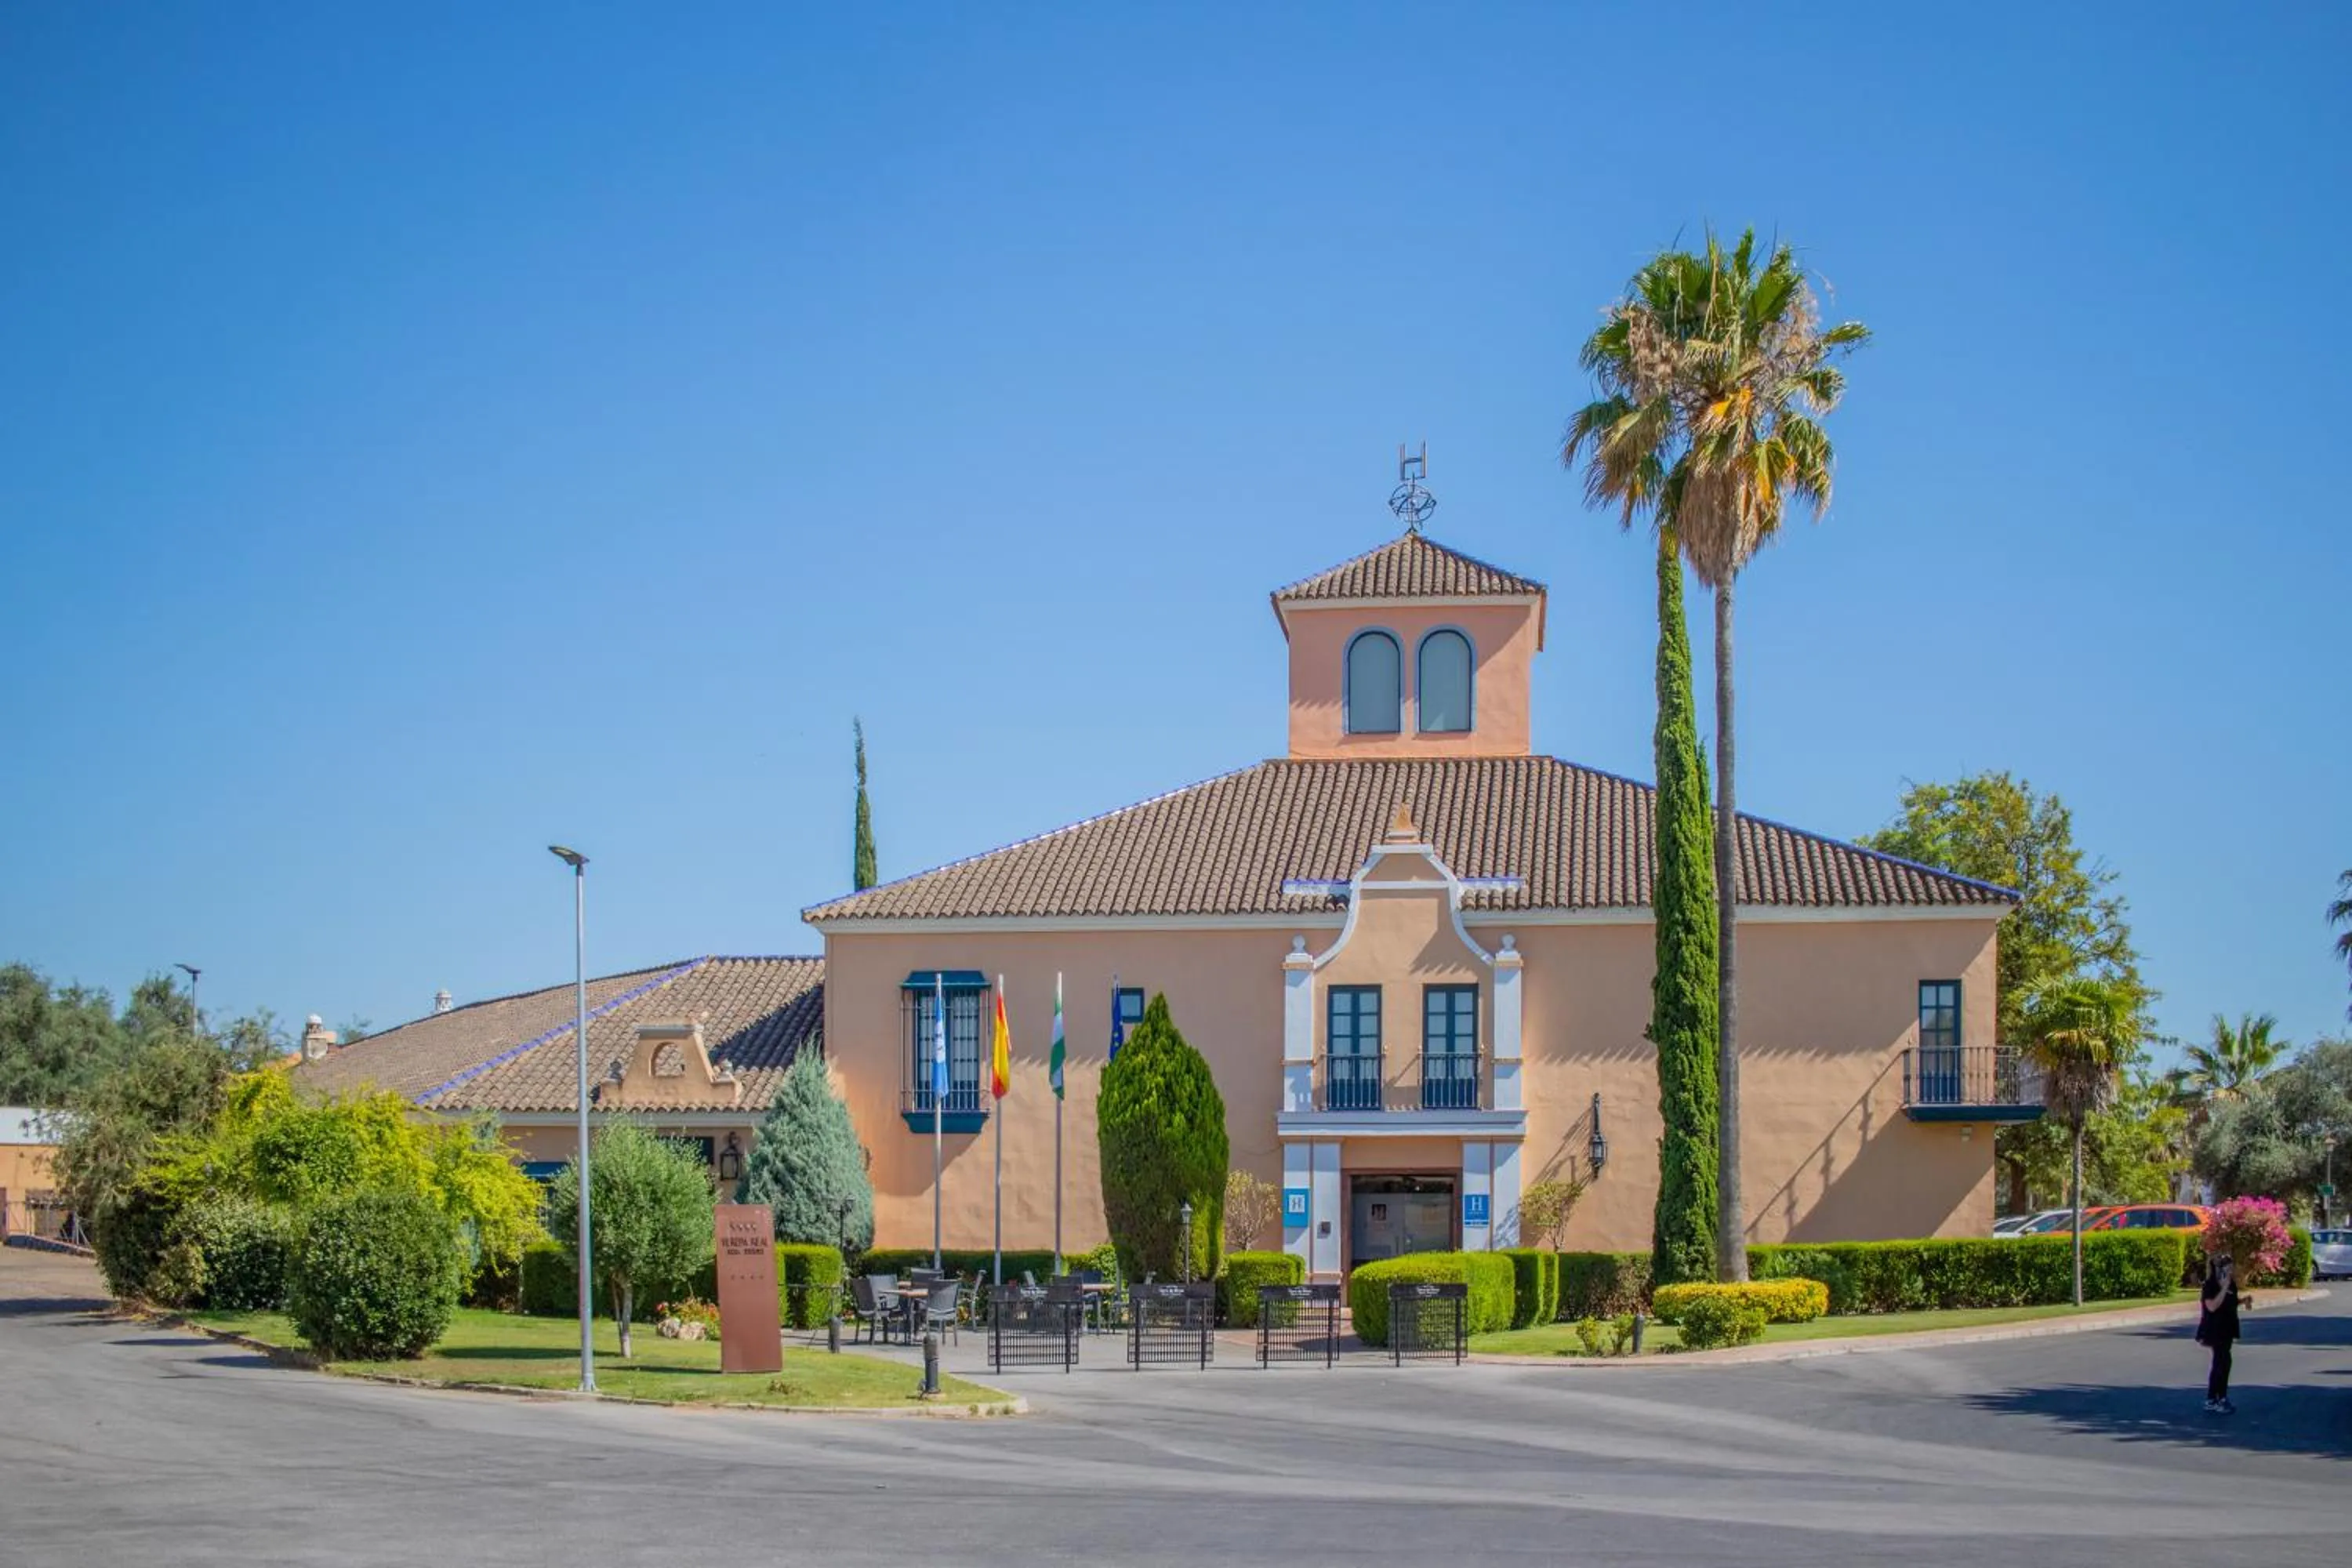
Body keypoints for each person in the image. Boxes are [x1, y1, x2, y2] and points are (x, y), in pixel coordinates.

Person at [2196, 1254, 2241, 1414]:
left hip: (2228, 1328)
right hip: (2215, 1329)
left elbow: (2231, 1302)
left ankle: (2220, 1397)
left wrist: (2243, 1301)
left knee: (2224, 1363)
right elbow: (2212, 1306)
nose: (2231, 1271)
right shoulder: (2211, 1285)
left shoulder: (2231, 1284)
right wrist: (2223, 1288)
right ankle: (2213, 1398)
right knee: (2220, 1363)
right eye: (2228, 1268)